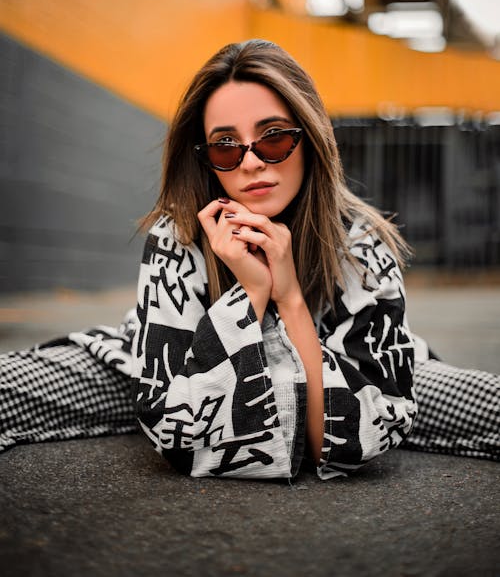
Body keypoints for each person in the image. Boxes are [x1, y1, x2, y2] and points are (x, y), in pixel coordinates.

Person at [1, 40, 498, 478]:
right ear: (206, 157)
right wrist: (251, 293)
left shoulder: (360, 244)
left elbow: (353, 435)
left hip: (349, 371)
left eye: (274, 137)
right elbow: (173, 423)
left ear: (311, 136)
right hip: (169, 371)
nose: (252, 161)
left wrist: (287, 297)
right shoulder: (179, 233)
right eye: (226, 146)